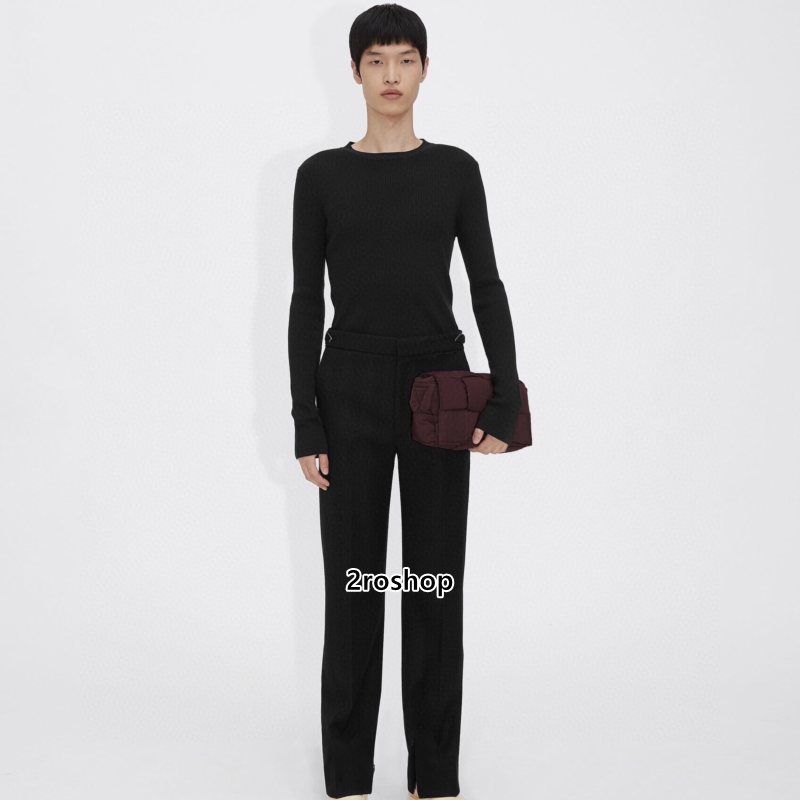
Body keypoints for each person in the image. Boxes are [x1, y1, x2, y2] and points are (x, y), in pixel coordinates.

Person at [288, 5, 522, 799]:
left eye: (406, 59)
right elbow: (304, 302)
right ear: (354, 72)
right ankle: (349, 778)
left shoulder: (456, 170)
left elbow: (486, 286)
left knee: (434, 585)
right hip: (347, 386)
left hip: (437, 390)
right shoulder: (320, 177)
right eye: (377, 60)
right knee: (354, 588)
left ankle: (434, 778)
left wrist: (505, 398)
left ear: (424, 69)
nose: (391, 75)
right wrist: (306, 418)